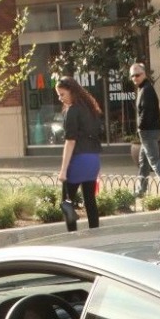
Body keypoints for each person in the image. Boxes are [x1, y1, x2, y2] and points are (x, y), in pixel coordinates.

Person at [55, 77, 104, 230]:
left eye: (62, 94)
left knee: (67, 202)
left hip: (78, 160)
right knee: (90, 200)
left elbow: (70, 142)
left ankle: (73, 235)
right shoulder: (92, 108)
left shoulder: (72, 111)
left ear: (72, 91)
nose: (60, 98)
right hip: (93, 159)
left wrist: (63, 170)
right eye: (58, 95)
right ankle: (95, 233)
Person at [129, 62, 160, 203]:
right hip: (149, 130)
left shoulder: (146, 90)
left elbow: (146, 112)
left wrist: (140, 127)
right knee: (143, 162)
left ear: (144, 74)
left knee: (154, 161)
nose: (135, 78)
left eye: (137, 75)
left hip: (148, 131)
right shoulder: (143, 88)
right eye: (132, 76)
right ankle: (141, 190)